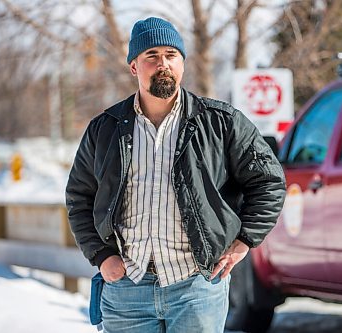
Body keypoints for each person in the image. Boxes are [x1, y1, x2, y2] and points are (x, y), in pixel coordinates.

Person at [65, 17, 286, 333]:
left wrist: (244, 240)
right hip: (127, 288)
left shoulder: (221, 123)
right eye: (151, 56)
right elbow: (78, 196)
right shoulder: (105, 129)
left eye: (171, 54)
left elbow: (269, 181)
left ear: (182, 62)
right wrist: (101, 256)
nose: (162, 63)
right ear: (134, 67)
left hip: (197, 287)